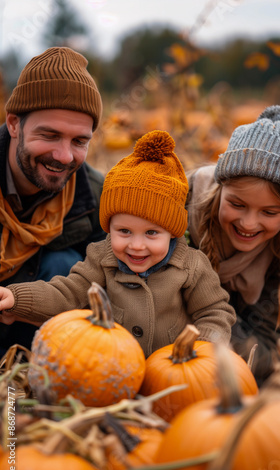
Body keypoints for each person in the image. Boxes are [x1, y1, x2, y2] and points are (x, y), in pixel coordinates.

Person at [0, 130, 236, 358]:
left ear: (172, 232)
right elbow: (66, 294)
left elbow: (213, 312)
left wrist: (203, 351)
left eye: (151, 233)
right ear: (109, 228)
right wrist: (17, 297)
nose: (136, 245)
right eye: (124, 231)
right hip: (113, 372)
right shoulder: (102, 260)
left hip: (173, 375)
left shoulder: (191, 267)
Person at [0, 46, 106, 354]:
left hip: (39, 344)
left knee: (66, 265)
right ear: (14, 124)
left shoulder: (96, 196)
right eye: (49, 135)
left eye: (79, 141)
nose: (63, 156)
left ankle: (27, 380)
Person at [185, 105, 280, 386]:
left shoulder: (275, 251)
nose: (249, 224)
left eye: (270, 212)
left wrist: (221, 339)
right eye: (237, 204)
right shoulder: (182, 204)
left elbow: (261, 345)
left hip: (218, 355)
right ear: (220, 188)